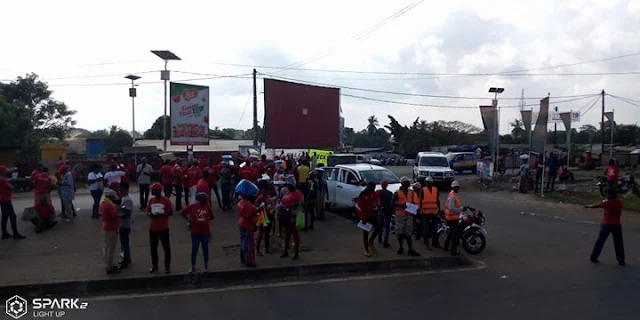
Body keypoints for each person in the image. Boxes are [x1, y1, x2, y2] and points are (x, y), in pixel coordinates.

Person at [585, 189, 625, 266]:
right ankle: (621, 260)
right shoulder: (619, 202)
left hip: (606, 225)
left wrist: (588, 206)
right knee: (619, 243)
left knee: (600, 242)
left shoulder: (607, 202)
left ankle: (594, 257)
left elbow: (597, 205)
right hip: (616, 225)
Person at [181, 193, 214, 272]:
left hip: (205, 231)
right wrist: (188, 220)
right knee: (194, 248)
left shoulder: (207, 207)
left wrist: (205, 220)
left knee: (205, 248)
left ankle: (206, 266)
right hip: (195, 231)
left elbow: (212, 216)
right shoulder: (193, 206)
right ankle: (193, 266)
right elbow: (182, 212)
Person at [147, 183, 173, 274]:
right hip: (153, 227)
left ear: (158, 191)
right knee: (153, 248)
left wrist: (162, 215)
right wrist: (150, 214)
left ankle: (167, 266)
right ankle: (155, 265)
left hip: (163, 227)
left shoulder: (166, 200)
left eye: (153, 189)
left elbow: (170, 212)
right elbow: (148, 211)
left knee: (166, 248)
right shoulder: (151, 200)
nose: (151, 191)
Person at [236, 179, 261, 267]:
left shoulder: (240, 202)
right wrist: (254, 225)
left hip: (241, 223)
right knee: (249, 244)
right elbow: (250, 217)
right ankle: (249, 260)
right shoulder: (249, 206)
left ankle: (243, 257)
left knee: (243, 241)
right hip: (248, 225)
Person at [392, 177, 420, 256]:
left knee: (409, 233)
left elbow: (416, 202)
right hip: (400, 215)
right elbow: (392, 203)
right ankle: (401, 247)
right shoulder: (397, 193)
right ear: (403, 184)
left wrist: (415, 208)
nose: (409, 184)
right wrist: (401, 205)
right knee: (400, 233)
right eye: (407, 182)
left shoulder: (411, 192)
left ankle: (410, 249)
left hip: (409, 215)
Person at [280, 176, 304, 260]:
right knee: (287, 235)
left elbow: (300, 205)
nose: (287, 186)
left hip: (293, 217)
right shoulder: (288, 192)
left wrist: (291, 207)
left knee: (295, 235)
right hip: (286, 216)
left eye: (288, 185)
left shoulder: (298, 194)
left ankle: (296, 253)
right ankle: (286, 250)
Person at [0, 165, 26, 240]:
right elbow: (10, 187)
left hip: (2, 200)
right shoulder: (3, 179)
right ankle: (15, 233)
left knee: (4, 217)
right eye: (5, 171)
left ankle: (4, 233)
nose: (6, 172)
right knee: (12, 217)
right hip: (6, 200)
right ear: (2, 171)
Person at [356, 182, 381, 257]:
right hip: (365, 216)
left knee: (378, 228)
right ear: (368, 187)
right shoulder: (362, 194)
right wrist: (362, 217)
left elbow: (377, 200)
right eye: (371, 188)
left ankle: (370, 241)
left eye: (374, 188)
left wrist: (377, 205)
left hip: (373, 215)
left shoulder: (373, 193)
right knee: (365, 233)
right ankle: (366, 249)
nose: (372, 189)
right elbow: (358, 207)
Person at [100, 189, 121, 274]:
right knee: (111, 250)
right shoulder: (109, 205)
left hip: (105, 226)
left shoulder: (103, 204)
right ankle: (110, 268)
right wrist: (119, 212)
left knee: (107, 247)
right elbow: (114, 216)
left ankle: (110, 264)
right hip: (111, 228)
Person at [419, 176, 440, 249]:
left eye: (428, 182)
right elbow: (420, 201)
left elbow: (437, 200)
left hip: (434, 212)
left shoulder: (435, 190)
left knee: (434, 228)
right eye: (426, 183)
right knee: (426, 229)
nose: (427, 184)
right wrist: (420, 210)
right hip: (425, 212)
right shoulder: (423, 190)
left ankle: (434, 242)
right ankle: (426, 243)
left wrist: (439, 210)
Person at [255, 180, 275, 255]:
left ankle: (267, 248)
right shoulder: (259, 198)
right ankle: (257, 250)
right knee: (260, 234)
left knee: (267, 234)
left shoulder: (268, 197)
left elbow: (271, 206)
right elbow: (256, 207)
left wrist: (272, 209)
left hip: (268, 217)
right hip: (262, 218)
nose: (266, 191)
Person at [444, 180, 463, 256]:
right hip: (452, 218)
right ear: (453, 188)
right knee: (454, 235)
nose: (457, 189)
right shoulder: (452, 196)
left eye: (458, 187)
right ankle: (453, 251)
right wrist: (460, 209)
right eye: (456, 187)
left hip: (452, 217)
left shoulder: (453, 195)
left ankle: (446, 247)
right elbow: (451, 208)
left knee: (451, 233)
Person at [118, 182, 134, 269]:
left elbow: (127, 212)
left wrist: (117, 216)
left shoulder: (127, 199)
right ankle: (126, 258)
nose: (120, 190)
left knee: (124, 243)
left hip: (125, 224)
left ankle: (126, 259)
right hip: (125, 223)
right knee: (124, 242)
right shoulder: (125, 197)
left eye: (121, 188)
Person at [376, 179, 393, 248]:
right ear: (387, 185)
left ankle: (380, 240)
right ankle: (385, 242)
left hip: (380, 211)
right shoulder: (390, 193)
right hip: (388, 211)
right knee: (387, 227)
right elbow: (391, 203)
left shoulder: (378, 192)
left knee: (380, 226)